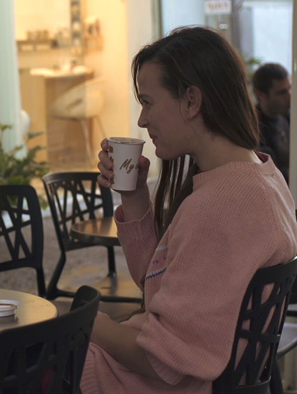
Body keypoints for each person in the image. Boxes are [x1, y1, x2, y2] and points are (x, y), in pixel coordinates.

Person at [88, 27, 297, 393]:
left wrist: (89, 322)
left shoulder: (218, 207)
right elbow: (161, 284)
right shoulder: (263, 176)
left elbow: (165, 360)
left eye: (148, 102)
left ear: (191, 101)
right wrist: (135, 196)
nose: (141, 120)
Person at [253, 62, 291, 182]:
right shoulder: (253, 127)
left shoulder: (287, 119)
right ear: (261, 94)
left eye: (289, 89)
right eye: (281, 92)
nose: (289, 97)